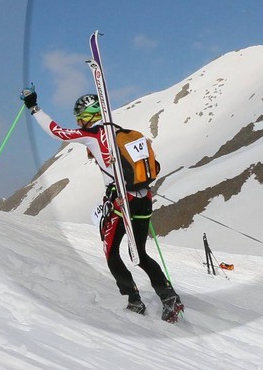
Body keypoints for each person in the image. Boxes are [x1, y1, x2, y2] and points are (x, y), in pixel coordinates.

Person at [21, 87, 181, 320]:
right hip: (143, 197)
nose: (78, 122)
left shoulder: (94, 134)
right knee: (139, 253)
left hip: (120, 200)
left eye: (79, 117)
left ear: (87, 116)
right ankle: (169, 297)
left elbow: (58, 132)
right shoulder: (122, 133)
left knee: (111, 253)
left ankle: (134, 300)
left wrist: (34, 108)